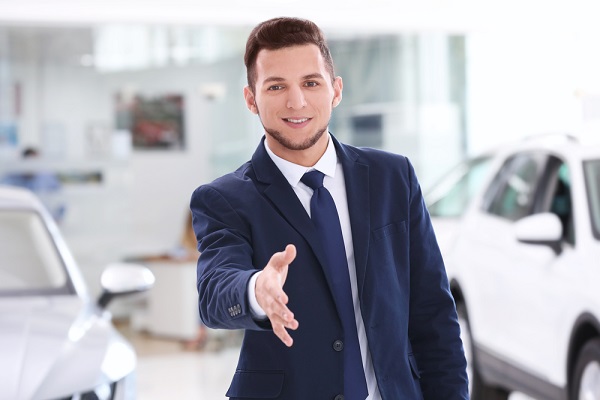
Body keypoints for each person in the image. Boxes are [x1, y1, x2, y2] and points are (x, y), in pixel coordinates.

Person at [190, 17, 468, 400]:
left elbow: (433, 314)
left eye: (310, 83)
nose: (297, 101)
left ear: (335, 91)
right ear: (251, 99)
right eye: (276, 86)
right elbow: (215, 289)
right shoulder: (224, 198)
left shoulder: (393, 177)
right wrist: (257, 290)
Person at [1, 146, 66, 222]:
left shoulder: (47, 177)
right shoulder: (11, 177)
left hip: (42, 220)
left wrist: (58, 217)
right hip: (16, 219)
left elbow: (61, 198)